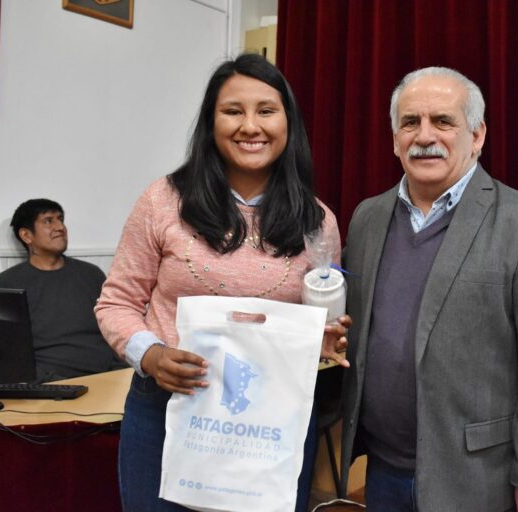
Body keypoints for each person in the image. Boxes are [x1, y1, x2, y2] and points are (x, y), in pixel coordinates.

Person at [94, 54, 349, 512]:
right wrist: (150, 355)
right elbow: (115, 303)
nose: (250, 126)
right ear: (211, 122)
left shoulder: (318, 221)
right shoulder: (162, 201)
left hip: (270, 422)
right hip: (166, 410)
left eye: (266, 111)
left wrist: (323, 338)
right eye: (233, 111)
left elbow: (320, 323)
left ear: (288, 123)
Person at [339, 67, 518, 512]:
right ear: (394, 138)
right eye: (410, 122)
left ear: (477, 135)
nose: (424, 135)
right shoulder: (367, 218)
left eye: (444, 121)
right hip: (381, 473)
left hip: (479, 482)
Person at [0, 199, 126, 382]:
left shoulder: (91, 274)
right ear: (26, 235)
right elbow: (7, 350)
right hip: (46, 383)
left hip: (105, 376)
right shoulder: (8, 283)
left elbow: (116, 326)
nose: (60, 227)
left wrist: (119, 370)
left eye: (60, 219)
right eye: (48, 221)